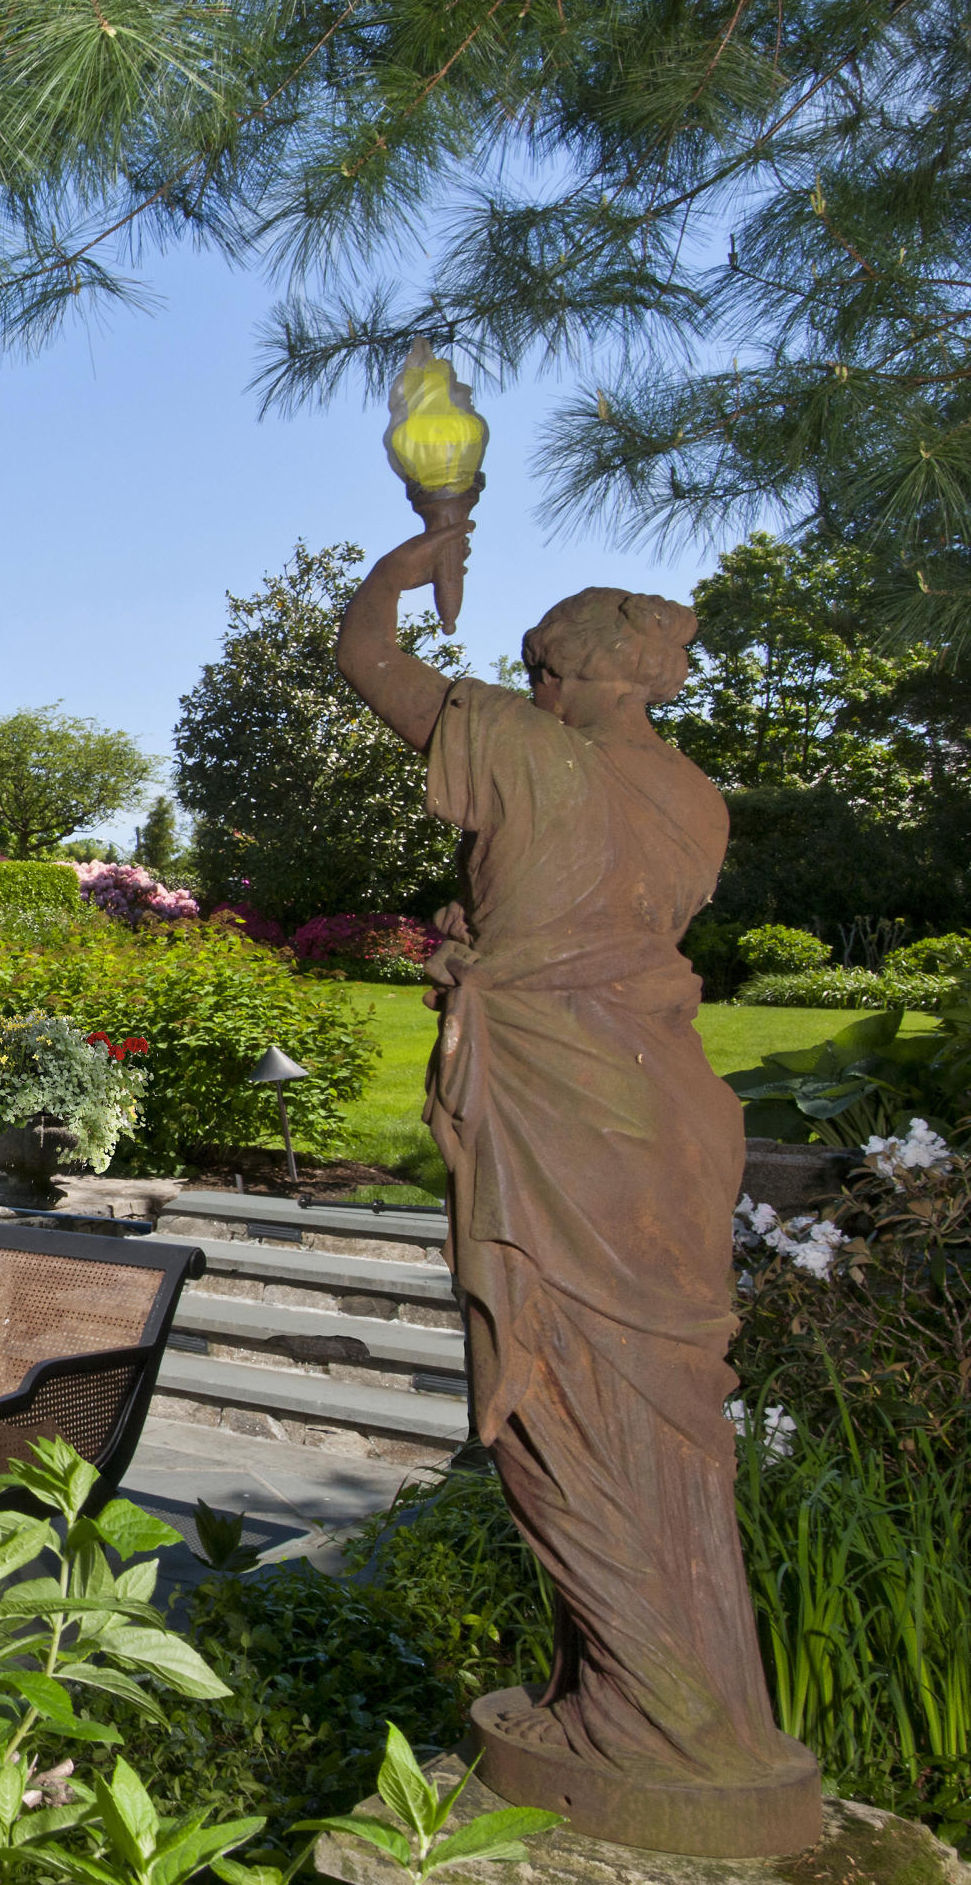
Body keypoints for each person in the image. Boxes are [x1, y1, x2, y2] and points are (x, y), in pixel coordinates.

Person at [334, 523, 820, 1855]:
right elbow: (598, 924)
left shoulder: (522, 744)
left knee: (553, 1382)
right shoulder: (697, 798)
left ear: (584, 675)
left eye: (542, 667)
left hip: (555, 1107)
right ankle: (670, 1699)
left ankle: (648, 1718)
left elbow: (365, 656)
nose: (530, 686)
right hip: (661, 1104)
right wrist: (503, 947)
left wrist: (412, 558)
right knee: (667, 1412)